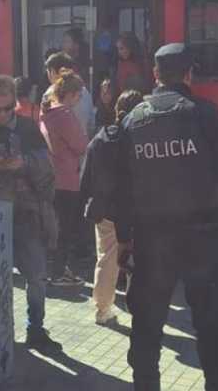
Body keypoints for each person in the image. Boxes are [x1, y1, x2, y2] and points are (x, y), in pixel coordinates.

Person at [111, 43, 218, 391]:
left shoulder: (132, 120)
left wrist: (125, 238)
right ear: (189, 74)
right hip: (203, 238)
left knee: (146, 328)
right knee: (212, 327)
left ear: (155, 75)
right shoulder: (204, 113)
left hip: (151, 241)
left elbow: (121, 190)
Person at [0, 74, 63, 353]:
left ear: (15, 104)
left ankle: (35, 328)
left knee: (36, 276)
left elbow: (48, 168)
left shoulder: (27, 127)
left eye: (7, 108)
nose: (2, 115)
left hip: (25, 212)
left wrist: (24, 162)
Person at [80, 89, 145, 326]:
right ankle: (138, 306)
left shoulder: (100, 138)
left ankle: (102, 310)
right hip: (133, 210)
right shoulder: (138, 139)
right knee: (135, 260)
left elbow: (84, 178)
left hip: (105, 210)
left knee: (106, 259)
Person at [40, 69, 90, 287]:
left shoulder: (47, 112)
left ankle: (53, 269)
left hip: (50, 177)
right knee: (64, 229)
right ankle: (58, 272)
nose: (80, 98)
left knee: (53, 227)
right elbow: (80, 145)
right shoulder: (66, 115)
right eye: (78, 94)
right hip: (67, 177)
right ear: (70, 94)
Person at [43, 51, 96, 138]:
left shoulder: (50, 94)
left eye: (48, 72)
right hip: (84, 146)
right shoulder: (85, 91)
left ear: (52, 71)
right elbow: (91, 124)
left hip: (62, 149)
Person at [111, 32, 152, 97]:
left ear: (130, 47)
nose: (119, 52)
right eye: (118, 49)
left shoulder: (142, 63)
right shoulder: (118, 64)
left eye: (122, 48)